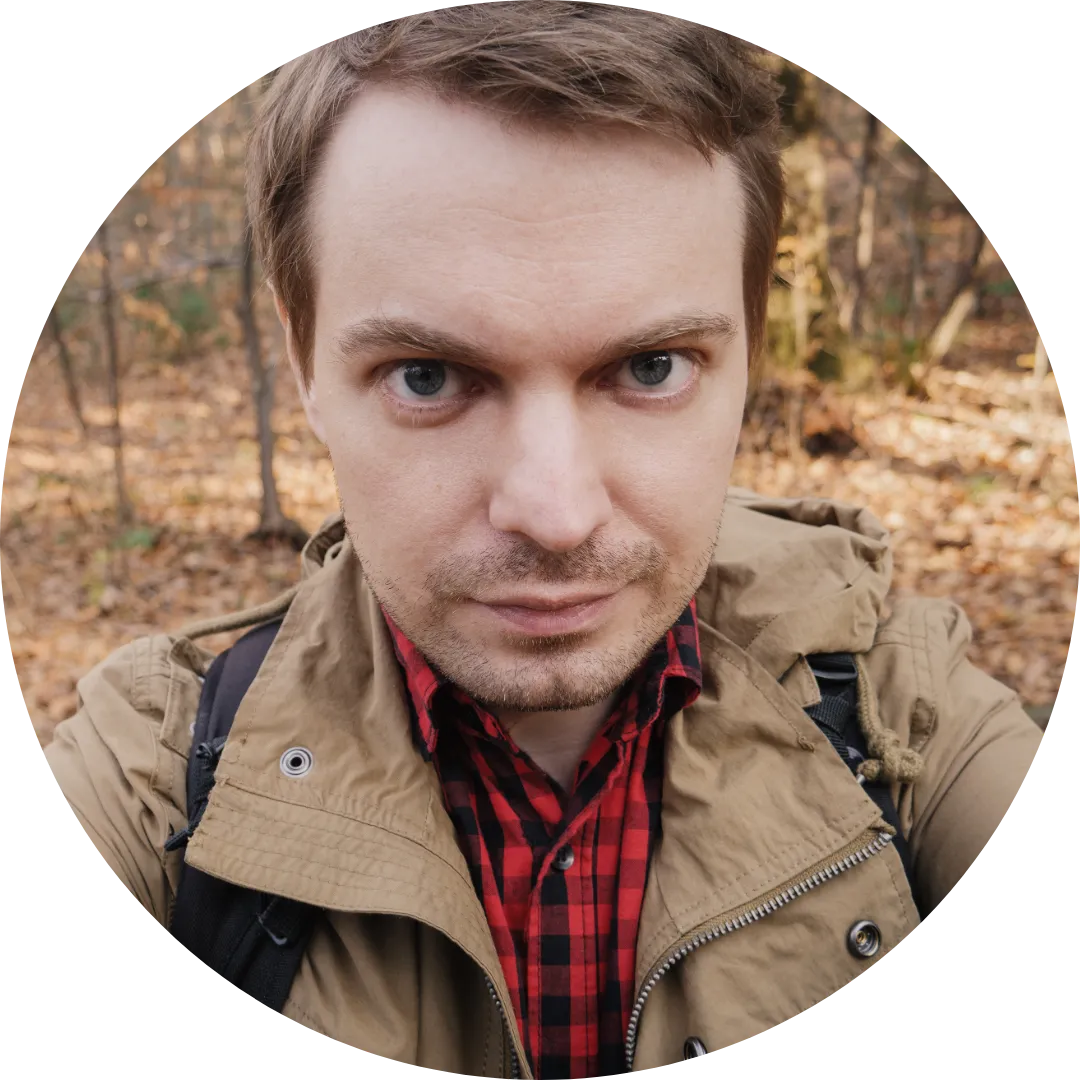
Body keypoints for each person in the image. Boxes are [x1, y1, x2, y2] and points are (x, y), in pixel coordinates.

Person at [41, 4, 1043, 1077]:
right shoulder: (162, 775)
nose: (556, 514)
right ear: (305, 365)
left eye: (651, 368)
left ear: (750, 350)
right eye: (428, 376)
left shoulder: (902, 723)